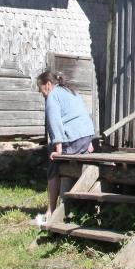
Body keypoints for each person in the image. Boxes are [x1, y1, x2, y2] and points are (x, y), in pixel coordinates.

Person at [37, 70, 95, 215]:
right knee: (58, 157)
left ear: (48, 84)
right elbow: (82, 114)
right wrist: (89, 141)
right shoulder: (71, 91)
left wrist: (58, 148)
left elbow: (54, 122)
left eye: (40, 89)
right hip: (86, 137)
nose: (41, 93)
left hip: (74, 139)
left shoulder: (52, 96)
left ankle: (51, 210)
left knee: (53, 162)